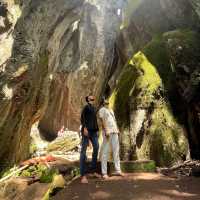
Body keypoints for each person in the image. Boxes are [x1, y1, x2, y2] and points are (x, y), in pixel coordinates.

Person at [99, 98, 124, 179]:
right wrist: (106, 130)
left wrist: (117, 129)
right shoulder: (102, 110)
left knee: (116, 150)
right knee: (105, 151)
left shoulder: (111, 110)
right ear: (103, 103)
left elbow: (114, 120)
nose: (107, 103)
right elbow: (102, 120)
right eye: (105, 102)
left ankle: (118, 170)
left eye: (108, 102)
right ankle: (104, 172)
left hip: (114, 131)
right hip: (108, 132)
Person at [80, 95, 99, 183]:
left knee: (96, 147)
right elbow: (82, 118)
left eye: (93, 99)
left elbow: (94, 120)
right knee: (83, 151)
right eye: (91, 99)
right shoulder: (86, 107)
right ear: (88, 100)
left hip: (94, 132)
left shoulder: (94, 108)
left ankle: (93, 171)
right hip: (87, 131)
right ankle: (83, 175)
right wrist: (84, 128)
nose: (93, 100)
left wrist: (97, 130)